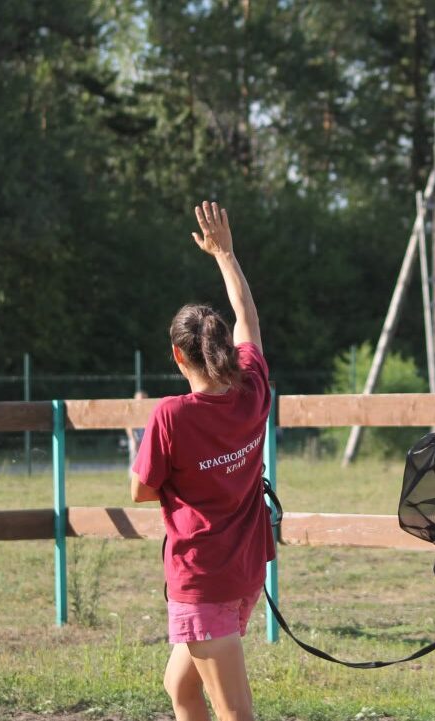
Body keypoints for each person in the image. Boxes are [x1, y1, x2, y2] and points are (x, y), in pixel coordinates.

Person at [131, 201, 273, 721]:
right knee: (181, 688)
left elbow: (141, 491)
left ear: (177, 356)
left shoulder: (172, 416)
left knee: (236, 713)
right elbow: (248, 319)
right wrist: (226, 255)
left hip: (201, 578)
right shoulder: (253, 390)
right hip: (244, 572)